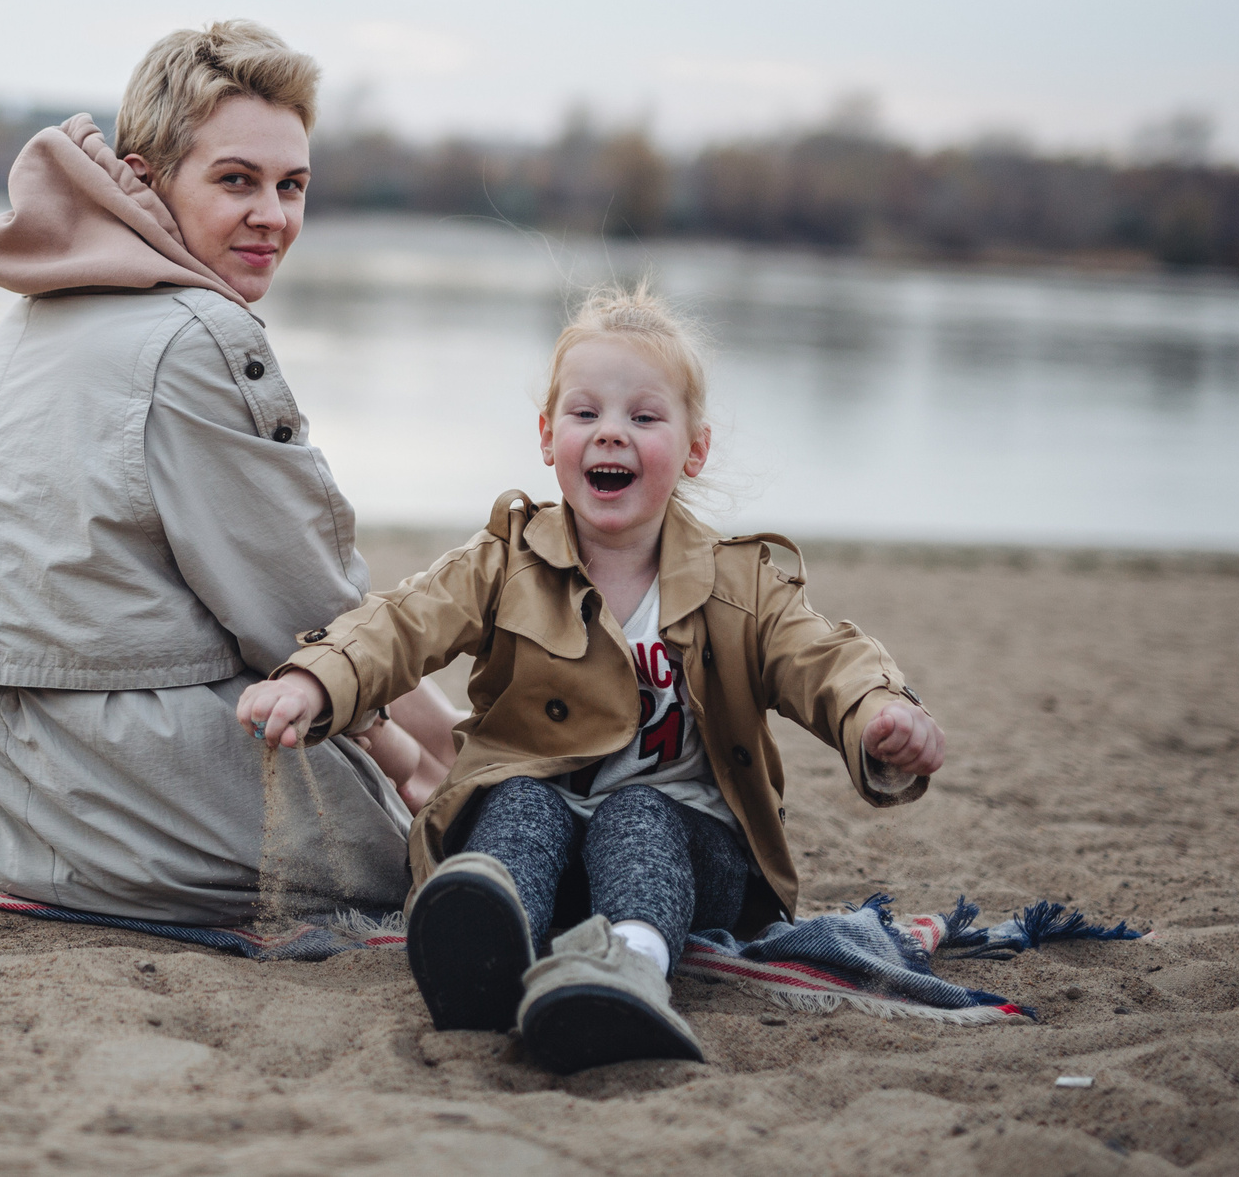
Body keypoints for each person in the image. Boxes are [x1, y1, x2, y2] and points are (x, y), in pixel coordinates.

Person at [238, 283, 946, 1072]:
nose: (611, 432)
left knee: (640, 809)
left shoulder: (738, 584)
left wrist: (878, 709)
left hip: (686, 854)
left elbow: (822, 658)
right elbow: (399, 622)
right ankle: (487, 952)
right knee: (520, 797)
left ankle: (628, 969)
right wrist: (314, 680)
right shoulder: (506, 560)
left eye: (643, 417)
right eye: (586, 414)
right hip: (542, 857)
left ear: (693, 449)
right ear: (548, 436)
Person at [0, 20, 455, 924]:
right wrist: (426, 758)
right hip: (123, 813)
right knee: (479, 827)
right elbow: (307, 609)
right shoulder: (198, 336)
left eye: (293, 186)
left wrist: (427, 735)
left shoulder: (31, 310)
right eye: (237, 180)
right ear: (148, 174)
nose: (273, 216)